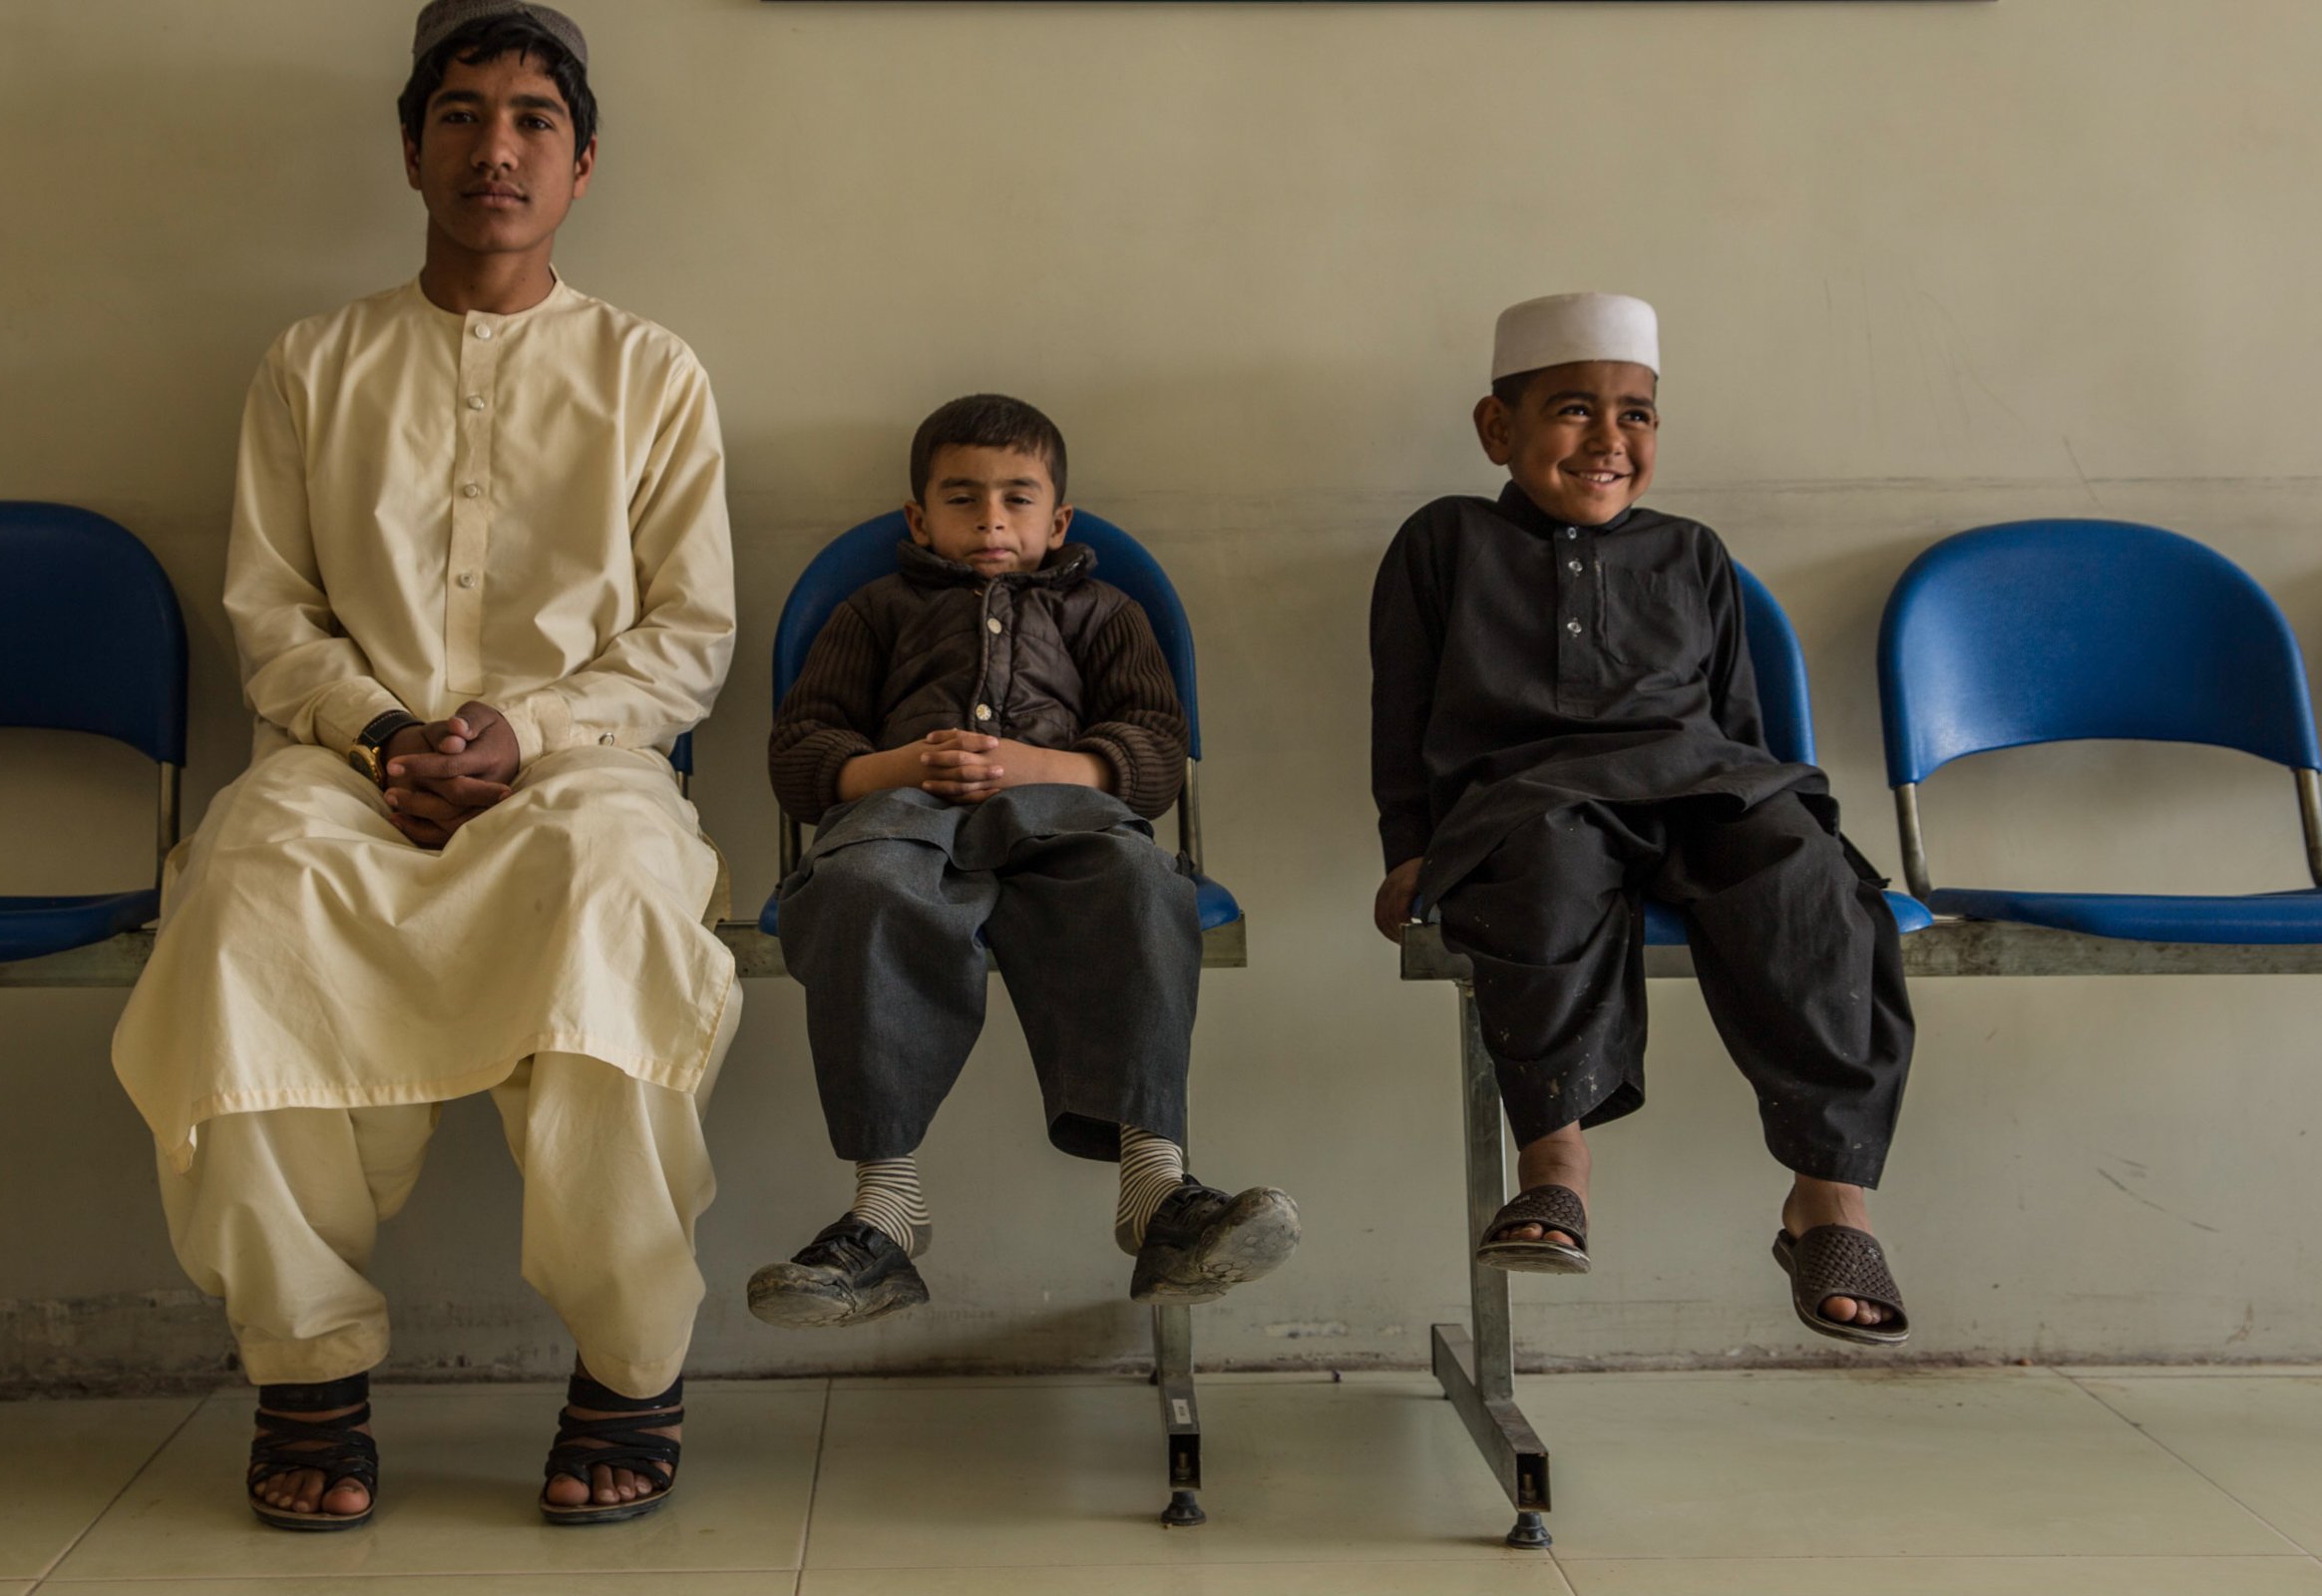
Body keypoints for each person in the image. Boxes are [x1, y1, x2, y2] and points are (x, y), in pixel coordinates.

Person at [111, 0, 740, 1529]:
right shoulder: (313, 365)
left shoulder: (652, 373)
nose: (496, 149)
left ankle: (629, 1365)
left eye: (532, 121)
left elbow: (686, 638)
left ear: (583, 163)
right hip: (346, 761)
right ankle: (306, 1368)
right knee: (242, 905)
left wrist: (520, 731)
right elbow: (272, 615)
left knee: (614, 904)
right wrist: (391, 733)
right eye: (460, 116)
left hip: (577, 765)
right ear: (411, 149)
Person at [1368, 293, 1915, 1346]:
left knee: (1805, 870)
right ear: (1499, 428)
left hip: (1696, 780)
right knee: (1542, 871)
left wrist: (1776, 813)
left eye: (1638, 415)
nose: (1610, 441)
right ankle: (1556, 1165)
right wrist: (1409, 850)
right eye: (1575, 410)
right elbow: (1403, 715)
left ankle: (1828, 1197)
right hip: (1528, 799)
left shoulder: (1694, 552)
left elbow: (1740, 726)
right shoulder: (1446, 542)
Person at [747, 393, 1298, 1329]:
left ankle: (1156, 1195)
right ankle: (884, 1214)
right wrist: (905, 763)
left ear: (1059, 520)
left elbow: (1157, 750)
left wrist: (1041, 765)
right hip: (901, 820)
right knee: (858, 889)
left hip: (1067, 821)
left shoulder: (1104, 610)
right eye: (963, 500)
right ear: (919, 518)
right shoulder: (872, 610)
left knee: (1137, 882)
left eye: (1017, 499)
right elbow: (801, 754)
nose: (991, 521)